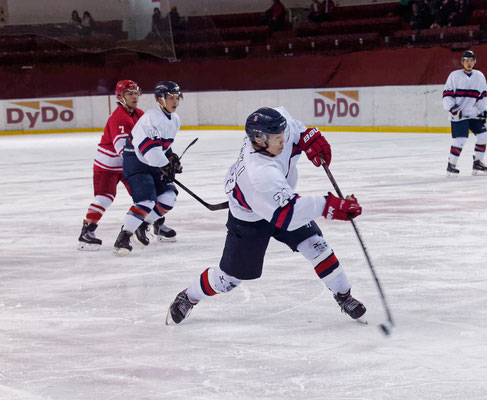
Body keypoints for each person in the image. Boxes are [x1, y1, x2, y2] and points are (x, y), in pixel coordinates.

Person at [165, 107, 366, 326]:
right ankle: (189, 296)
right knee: (229, 280)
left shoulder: (274, 129)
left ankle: (344, 296)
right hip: (250, 219)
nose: (283, 140)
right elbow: (288, 214)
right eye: (278, 138)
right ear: (259, 141)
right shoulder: (260, 174)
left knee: (315, 245)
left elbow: (294, 129)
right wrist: (330, 206)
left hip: (282, 201)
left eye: (282, 135)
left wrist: (309, 138)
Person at [113, 81, 183, 256]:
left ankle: (143, 225)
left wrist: (171, 158)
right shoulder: (151, 118)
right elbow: (150, 150)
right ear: (160, 100)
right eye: (170, 98)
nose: (174, 101)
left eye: (176, 98)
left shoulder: (174, 119)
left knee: (169, 197)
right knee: (147, 201)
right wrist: (165, 165)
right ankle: (124, 236)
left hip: (153, 162)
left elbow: (162, 146)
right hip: (136, 161)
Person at [78, 80, 144, 251]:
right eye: (130, 93)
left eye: (136, 92)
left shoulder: (139, 114)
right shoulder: (118, 118)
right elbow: (123, 149)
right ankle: (87, 231)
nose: (134, 96)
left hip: (128, 164)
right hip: (107, 166)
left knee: (144, 196)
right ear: (120, 97)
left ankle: (152, 225)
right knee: (105, 197)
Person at [442, 50, 487, 177]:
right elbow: (447, 94)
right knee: (460, 140)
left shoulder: (480, 76)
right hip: (458, 114)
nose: (469, 63)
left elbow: (482, 98)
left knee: (483, 136)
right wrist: (452, 108)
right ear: (462, 62)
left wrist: (485, 112)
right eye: (466, 61)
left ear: (475, 61)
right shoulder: (454, 76)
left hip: (473, 113)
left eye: (471, 60)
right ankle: (451, 165)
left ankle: (478, 162)